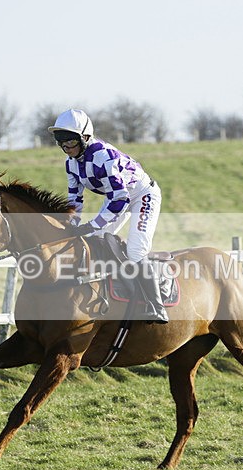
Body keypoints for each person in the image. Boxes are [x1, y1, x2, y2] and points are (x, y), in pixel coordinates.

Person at [48, 108, 168, 324]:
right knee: (96, 240)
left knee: (136, 249)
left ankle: (156, 306)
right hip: (118, 196)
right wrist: (72, 225)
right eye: (61, 141)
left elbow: (120, 199)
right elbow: (75, 199)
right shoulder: (71, 163)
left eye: (71, 141)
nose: (66, 147)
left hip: (141, 195)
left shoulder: (103, 156)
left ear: (85, 137)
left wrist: (92, 224)